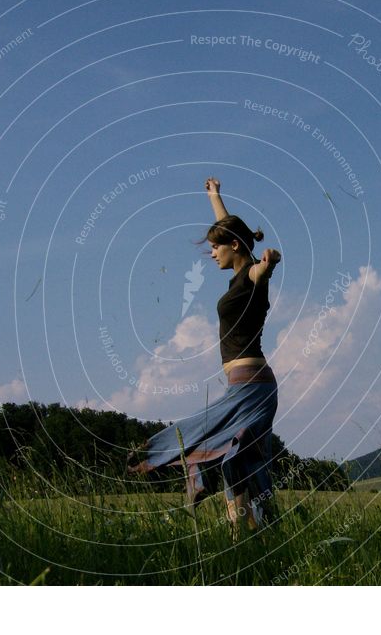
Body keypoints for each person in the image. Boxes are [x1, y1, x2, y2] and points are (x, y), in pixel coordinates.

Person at [128, 177, 281, 537]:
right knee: (236, 457)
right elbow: (233, 233)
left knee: (224, 447)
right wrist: (215, 197)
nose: (212, 253)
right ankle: (247, 534)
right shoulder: (236, 280)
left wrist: (271, 261)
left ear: (233, 246)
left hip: (253, 386)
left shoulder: (252, 278)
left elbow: (261, 266)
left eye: (216, 247)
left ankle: (153, 455)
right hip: (243, 384)